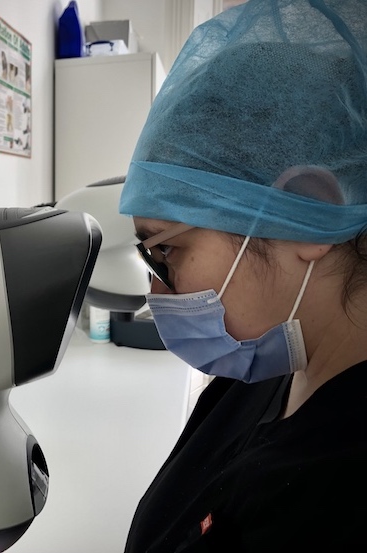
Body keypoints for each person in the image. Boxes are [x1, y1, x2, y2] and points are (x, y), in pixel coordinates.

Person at [118, 0, 367, 550]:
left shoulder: (341, 492)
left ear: (306, 215)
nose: (156, 292)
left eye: (167, 251)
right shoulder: (268, 368)